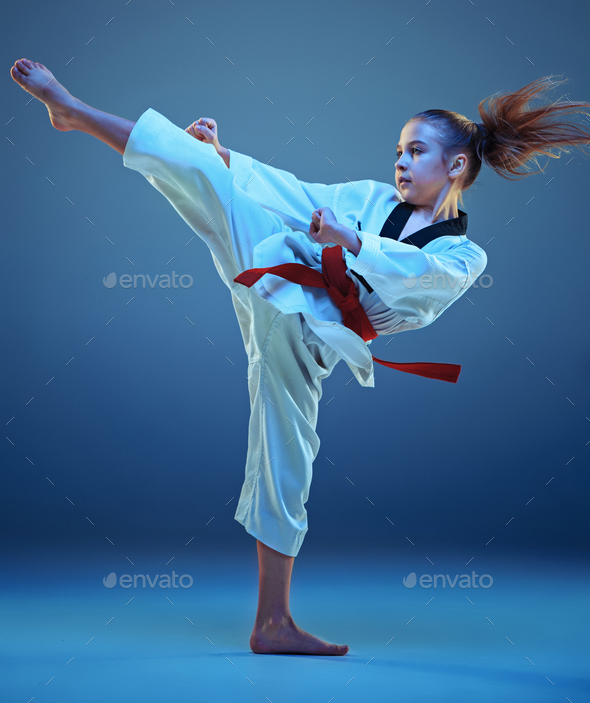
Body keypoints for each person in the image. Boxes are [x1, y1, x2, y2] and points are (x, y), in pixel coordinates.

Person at [10, 59, 590, 656]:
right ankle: (73, 111)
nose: (399, 162)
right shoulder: (368, 197)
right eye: (398, 150)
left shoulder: (465, 256)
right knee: (205, 169)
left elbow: (414, 276)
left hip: (315, 335)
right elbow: (300, 195)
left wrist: (351, 240)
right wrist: (228, 157)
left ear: (456, 166)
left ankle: (272, 623)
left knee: (286, 454)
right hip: (277, 271)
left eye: (415, 151)